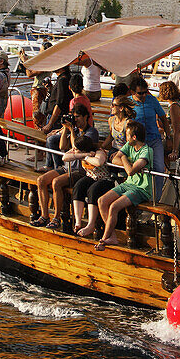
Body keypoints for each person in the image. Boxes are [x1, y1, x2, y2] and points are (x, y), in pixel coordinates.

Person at [33, 104, 101, 228]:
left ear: (86, 117)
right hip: (67, 167)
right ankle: (44, 216)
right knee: (41, 180)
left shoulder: (91, 132)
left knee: (56, 183)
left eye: (78, 117)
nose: (76, 120)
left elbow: (77, 147)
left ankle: (56, 218)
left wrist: (71, 130)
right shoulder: (73, 129)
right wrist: (65, 128)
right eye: (74, 117)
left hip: (81, 170)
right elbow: (62, 146)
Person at [93, 120, 154, 250]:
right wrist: (127, 162)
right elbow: (114, 159)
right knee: (102, 201)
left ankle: (104, 239)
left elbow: (130, 172)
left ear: (134, 137)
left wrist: (124, 159)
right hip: (128, 184)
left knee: (114, 206)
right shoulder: (128, 146)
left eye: (127, 135)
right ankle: (112, 236)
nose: (125, 138)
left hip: (141, 188)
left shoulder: (147, 151)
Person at [70, 141, 115, 237]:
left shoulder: (98, 152)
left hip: (105, 179)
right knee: (78, 186)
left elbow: (99, 162)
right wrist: (82, 155)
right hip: (91, 177)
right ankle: (78, 222)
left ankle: (91, 224)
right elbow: (65, 157)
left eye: (76, 149)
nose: (73, 151)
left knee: (93, 190)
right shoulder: (81, 153)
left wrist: (86, 157)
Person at [128, 76, 170, 177]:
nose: (143, 95)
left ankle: (158, 192)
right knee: (140, 171)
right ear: (133, 92)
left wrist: (168, 137)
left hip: (154, 140)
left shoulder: (152, 100)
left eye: (145, 92)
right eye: (140, 93)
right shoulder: (128, 103)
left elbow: (164, 119)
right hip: (138, 143)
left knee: (159, 169)